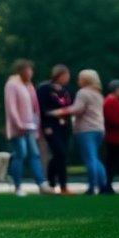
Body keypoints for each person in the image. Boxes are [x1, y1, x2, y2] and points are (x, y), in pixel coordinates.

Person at [4, 59, 51, 196]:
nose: (31, 73)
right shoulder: (12, 84)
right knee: (20, 154)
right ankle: (18, 186)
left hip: (30, 127)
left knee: (34, 155)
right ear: (21, 70)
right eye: (29, 70)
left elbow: (34, 107)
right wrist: (18, 123)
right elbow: (11, 106)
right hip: (18, 128)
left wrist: (36, 125)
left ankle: (42, 183)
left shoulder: (28, 86)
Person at [61, 69, 108, 195]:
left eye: (80, 78)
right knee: (95, 158)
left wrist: (60, 111)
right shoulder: (98, 93)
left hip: (86, 130)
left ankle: (92, 187)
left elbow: (78, 109)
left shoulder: (83, 92)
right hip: (99, 129)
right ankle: (103, 186)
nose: (78, 80)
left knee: (90, 159)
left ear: (85, 80)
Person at [37, 64, 74, 194]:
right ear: (59, 75)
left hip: (65, 126)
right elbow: (41, 109)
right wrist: (46, 125)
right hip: (51, 126)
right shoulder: (44, 89)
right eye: (66, 75)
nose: (68, 77)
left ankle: (52, 181)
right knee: (60, 153)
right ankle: (62, 186)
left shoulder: (67, 90)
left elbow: (72, 107)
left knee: (61, 155)